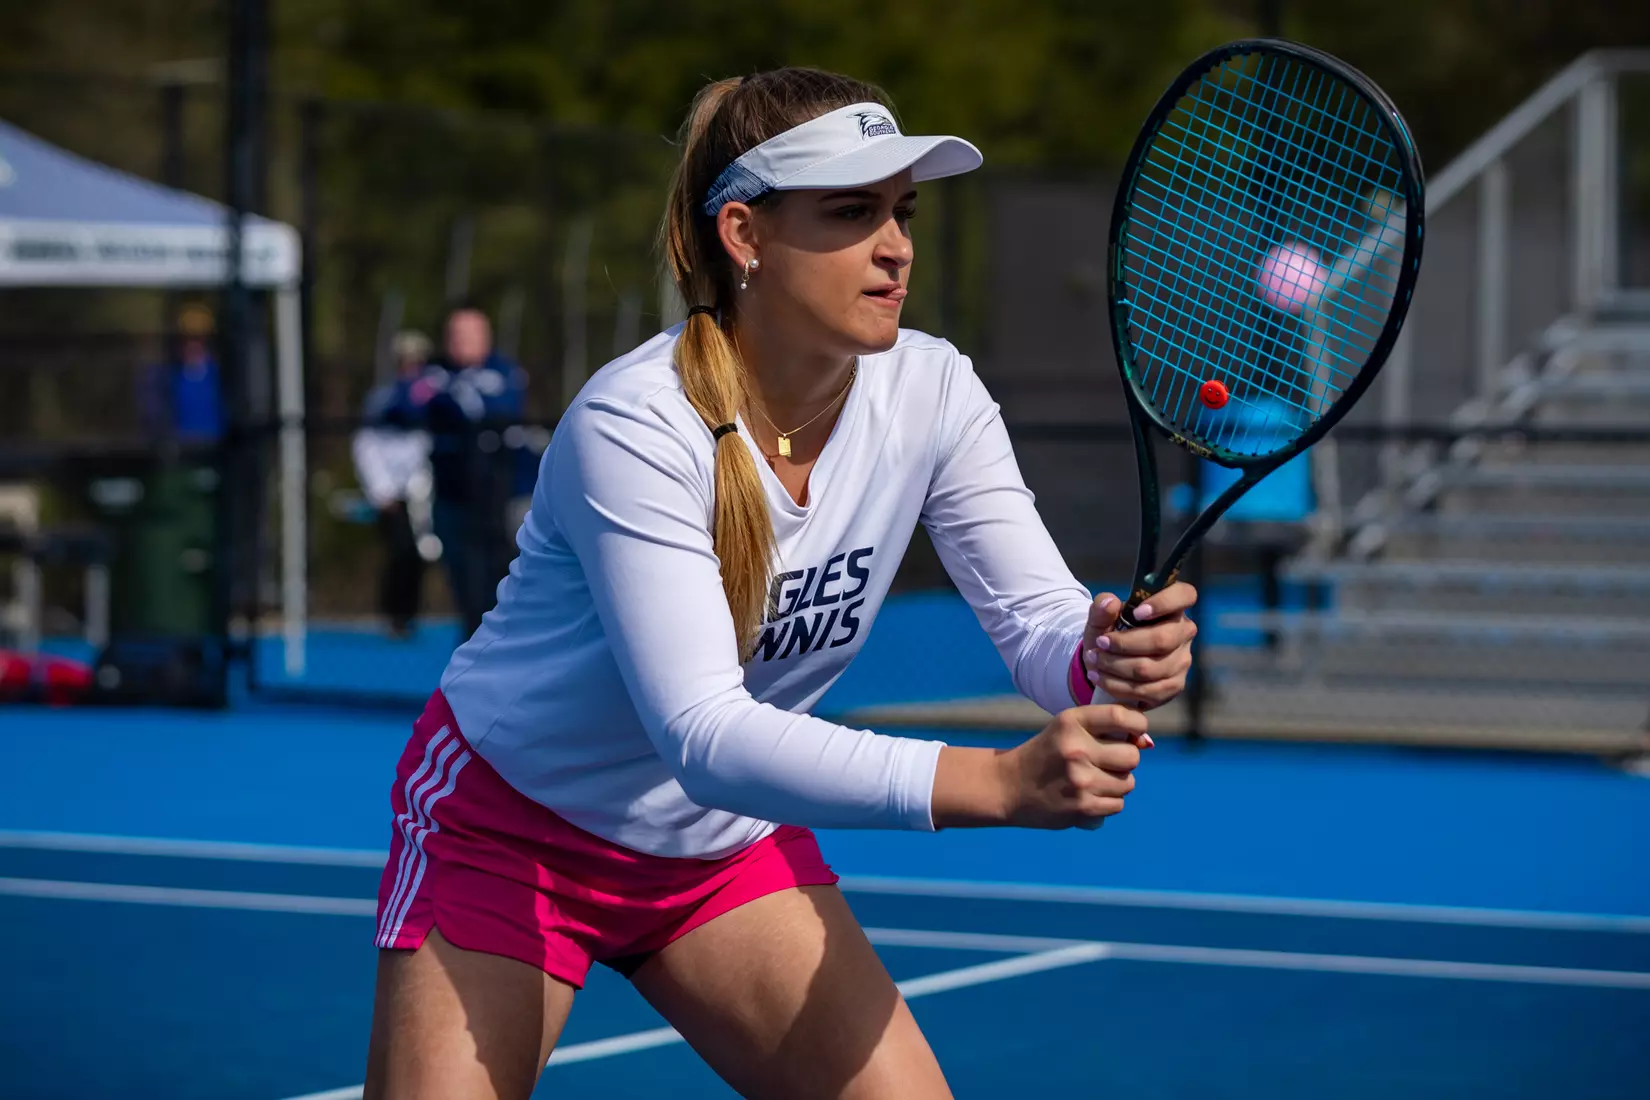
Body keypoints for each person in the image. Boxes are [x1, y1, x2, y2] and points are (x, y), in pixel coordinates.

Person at [365, 68, 1198, 1100]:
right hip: (511, 830)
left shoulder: (934, 387)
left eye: (902, 211)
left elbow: (1038, 622)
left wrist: (1102, 648)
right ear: (745, 234)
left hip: (719, 847)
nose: (895, 244)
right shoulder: (635, 423)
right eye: (852, 212)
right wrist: (995, 783)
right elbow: (706, 735)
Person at [391, 304, 531, 639]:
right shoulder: (432, 373)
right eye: (456, 335)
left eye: (471, 334)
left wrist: (451, 399)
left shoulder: (504, 373)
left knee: (504, 590)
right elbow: (404, 406)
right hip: (453, 498)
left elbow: (495, 409)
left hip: (500, 498)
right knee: (467, 589)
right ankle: (472, 667)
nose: (463, 342)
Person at [352, 331, 437, 639]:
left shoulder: (432, 397)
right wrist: (381, 490)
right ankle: (394, 616)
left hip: (422, 490)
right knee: (400, 552)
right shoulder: (382, 400)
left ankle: (410, 615)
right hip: (392, 493)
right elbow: (366, 445)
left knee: (422, 553)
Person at [141, 303, 223, 445]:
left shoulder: (219, 375)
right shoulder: (168, 376)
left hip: (216, 450)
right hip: (181, 450)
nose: (193, 345)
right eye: (188, 339)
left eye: (199, 339)